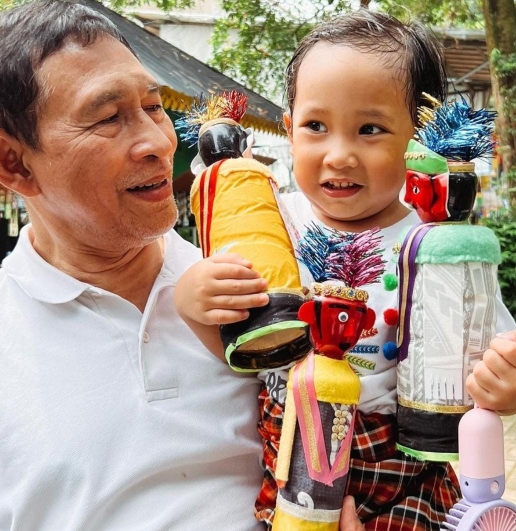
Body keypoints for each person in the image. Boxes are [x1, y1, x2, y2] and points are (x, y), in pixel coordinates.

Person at [175, 10, 516, 530]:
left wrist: (503, 385)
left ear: (417, 137)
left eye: (370, 129)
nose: (339, 155)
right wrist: (196, 305)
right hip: (293, 451)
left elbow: (494, 347)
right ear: (289, 131)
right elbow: (235, 347)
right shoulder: (271, 223)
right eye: (316, 127)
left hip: (406, 464)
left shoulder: (438, 244)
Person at [0, 1, 265, 529]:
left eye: (154, 107)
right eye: (108, 118)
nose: (158, 143)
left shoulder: (251, 284)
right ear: (13, 163)